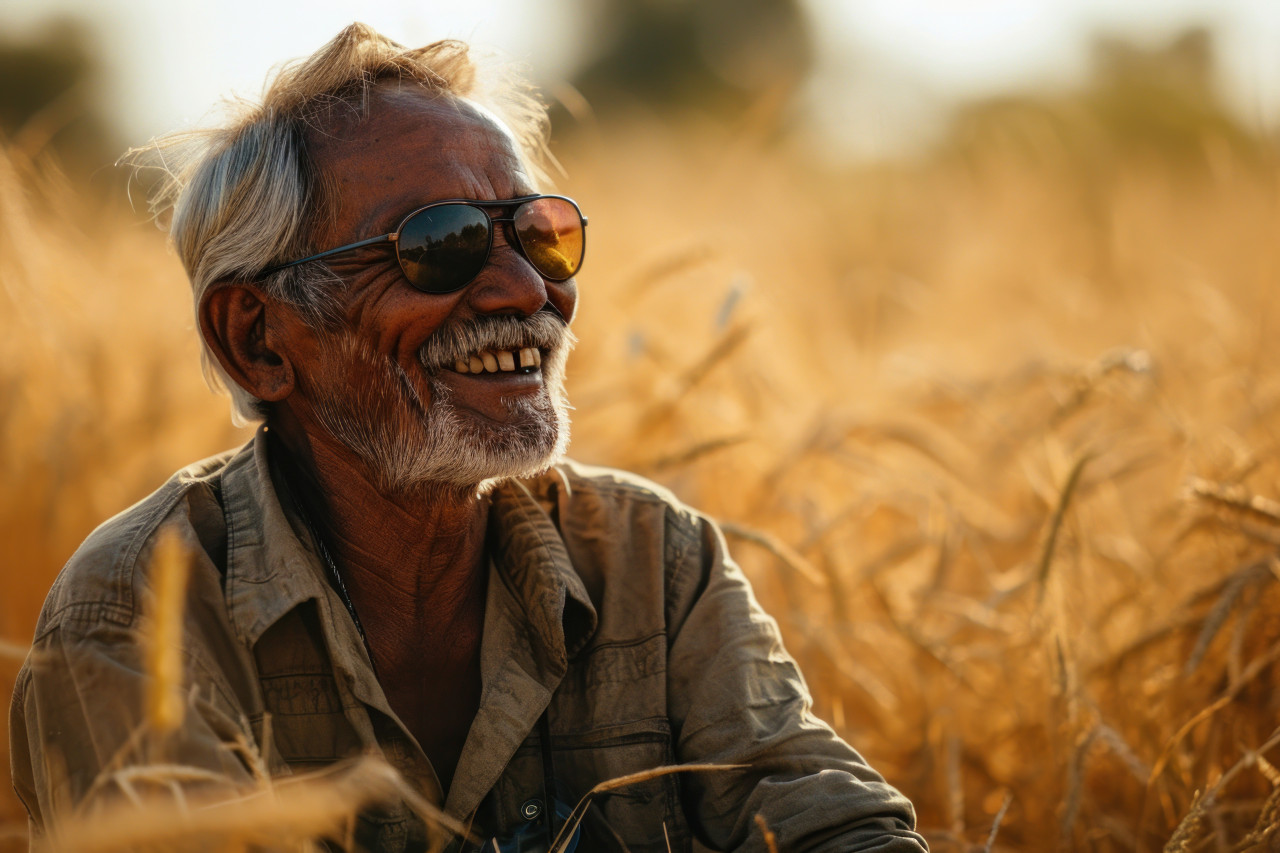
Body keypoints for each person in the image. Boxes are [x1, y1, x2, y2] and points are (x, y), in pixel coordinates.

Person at [9, 24, 928, 853]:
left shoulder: (654, 560)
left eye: (539, 234)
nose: (526, 290)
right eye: (439, 244)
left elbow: (838, 828)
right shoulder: (137, 616)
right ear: (256, 337)